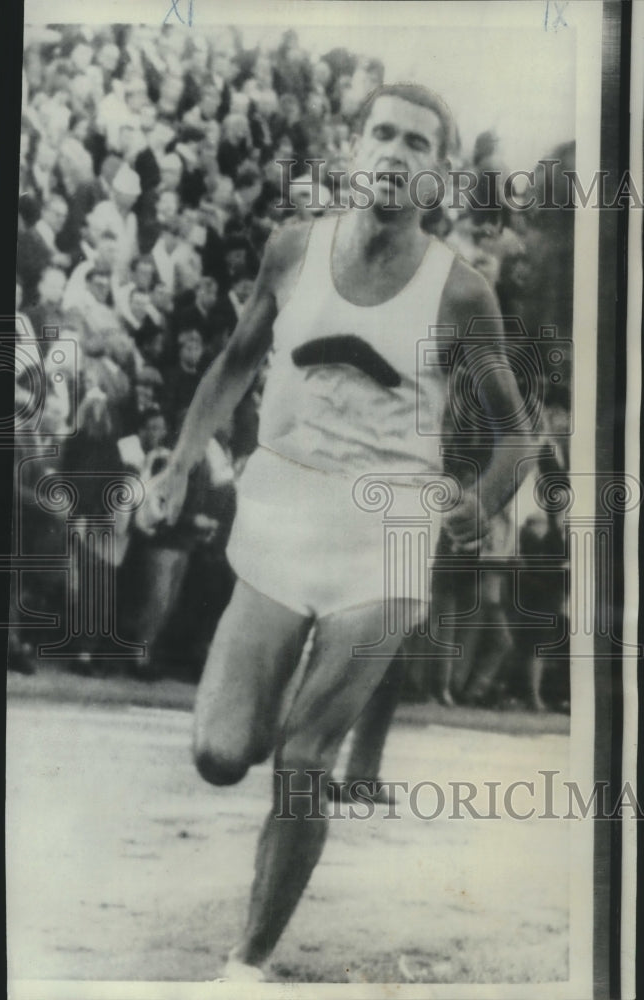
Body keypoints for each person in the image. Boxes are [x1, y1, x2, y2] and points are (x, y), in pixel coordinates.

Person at [138, 82, 533, 981]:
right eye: (381, 135)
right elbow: (237, 363)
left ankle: (247, 963)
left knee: (305, 756)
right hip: (283, 509)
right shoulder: (291, 249)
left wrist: (483, 493)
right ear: (353, 148)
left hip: (389, 523)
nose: (394, 154)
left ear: (439, 174)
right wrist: (178, 460)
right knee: (219, 753)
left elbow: (518, 434)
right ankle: (291, 692)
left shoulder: (461, 293)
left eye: (417, 144)